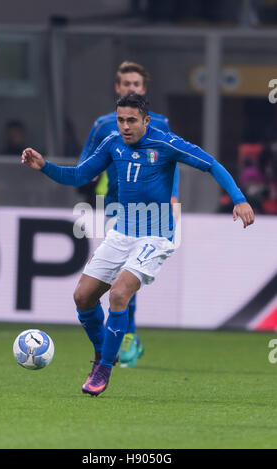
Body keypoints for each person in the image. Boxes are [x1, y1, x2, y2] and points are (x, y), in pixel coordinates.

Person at [21, 92, 254, 397]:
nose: (125, 126)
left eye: (132, 120)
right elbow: (79, 175)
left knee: (119, 293)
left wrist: (238, 199)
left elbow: (211, 165)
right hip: (121, 233)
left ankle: (102, 368)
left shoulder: (165, 143)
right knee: (82, 297)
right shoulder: (112, 143)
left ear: (146, 120)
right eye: (120, 120)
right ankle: (105, 352)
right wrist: (44, 166)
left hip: (156, 237)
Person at [79, 60, 180, 367]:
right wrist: (86, 176)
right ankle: (120, 339)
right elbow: (86, 160)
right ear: (117, 88)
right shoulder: (103, 125)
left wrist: (174, 196)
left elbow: (171, 161)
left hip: (151, 208)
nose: (131, 88)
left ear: (143, 89)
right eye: (126, 84)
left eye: (136, 85)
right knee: (115, 278)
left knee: (126, 279)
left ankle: (128, 336)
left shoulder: (158, 123)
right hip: (113, 203)